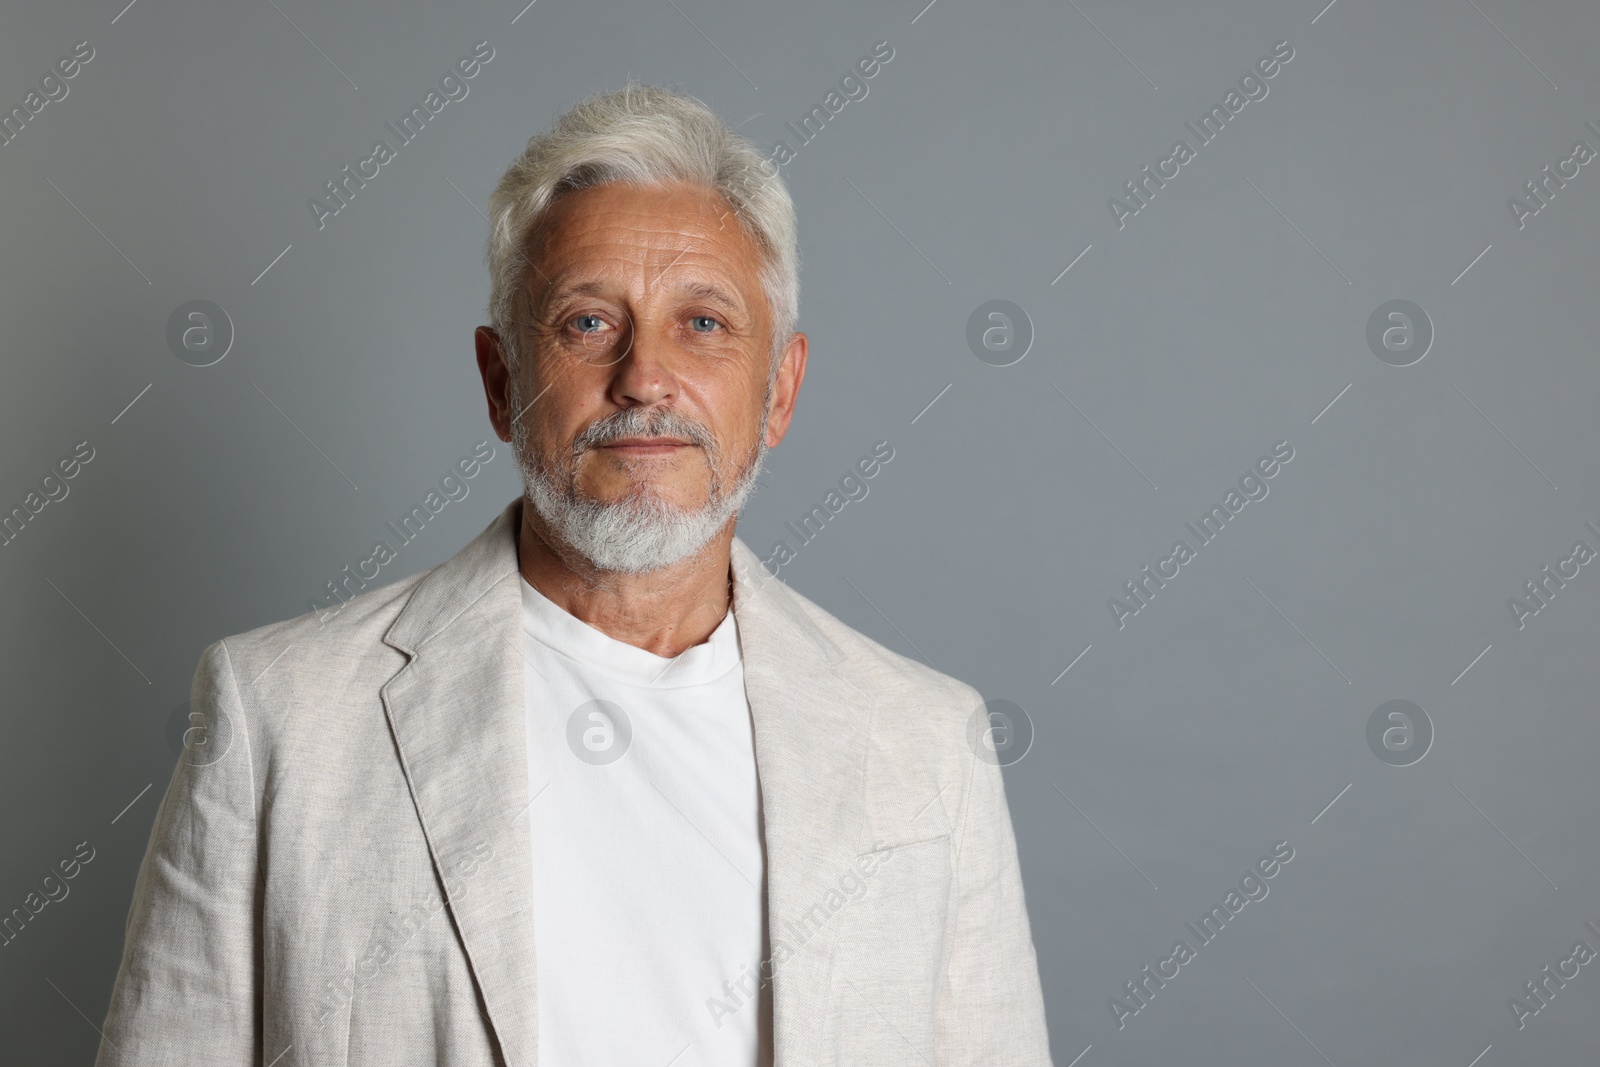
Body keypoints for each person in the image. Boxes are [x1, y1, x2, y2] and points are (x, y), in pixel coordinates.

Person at [94, 83, 1051, 1066]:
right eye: (588, 322)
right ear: (502, 380)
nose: (644, 377)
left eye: (705, 323)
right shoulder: (282, 719)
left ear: (781, 390)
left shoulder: (928, 745)